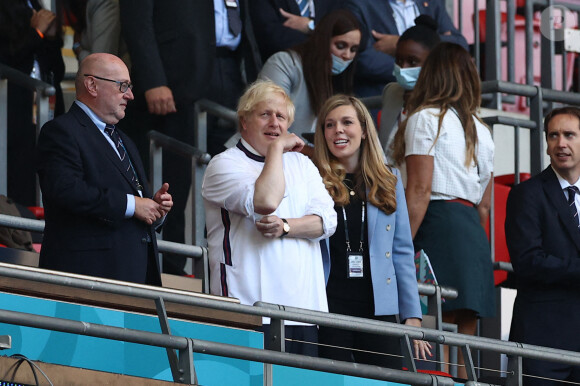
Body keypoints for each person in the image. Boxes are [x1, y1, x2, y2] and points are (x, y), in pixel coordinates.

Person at [118, 0, 261, 276]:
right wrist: (153, 79)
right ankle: (169, 268)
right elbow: (137, 22)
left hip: (233, 73)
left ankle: (222, 268)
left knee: (235, 177)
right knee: (174, 180)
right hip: (175, 81)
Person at [202, 80, 337, 356]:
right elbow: (265, 201)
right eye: (265, 114)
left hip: (304, 310)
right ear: (244, 121)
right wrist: (277, 150)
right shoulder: (224, 163)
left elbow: (328, 221)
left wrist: (288, 226)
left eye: (281, 117)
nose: (274, 123)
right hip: (248, 309)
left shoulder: (302, 163)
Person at [392, 42, 495, 379]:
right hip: (472, 229)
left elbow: (419, 190)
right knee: (464, 335)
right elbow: (485, 203)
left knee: (437, 329)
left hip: (439, 223)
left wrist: (398, 243)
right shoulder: (483, 129)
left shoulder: (424, 118)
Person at [313, 94, 431, 366]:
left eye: (346, 122)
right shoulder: (313, 178)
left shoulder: (389, 180)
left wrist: (411, 314)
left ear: (364, 130)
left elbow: (402, 251)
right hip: (329, 307)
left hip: (380, 307)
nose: (338, 130)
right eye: (329, 125)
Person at [36, 53, 173, 286]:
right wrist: (132, 205)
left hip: (134, 279)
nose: (130, 95)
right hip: (86, 280)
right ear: (92, 85)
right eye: (123, 86)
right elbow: (66, 190)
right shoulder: (61, 131)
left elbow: (131, 204)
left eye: (129, 87)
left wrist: (153, 208)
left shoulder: (123, 139)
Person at [505, 106, 580, 385]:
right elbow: (527, 261)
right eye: (553, 136)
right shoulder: (527, 194)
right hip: (542, 340)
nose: (561, 143)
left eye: (569, 135)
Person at [258, 9, 360, 151]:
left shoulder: (341, 79)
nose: (347, 55)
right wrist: (319, 157)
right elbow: (267, 125)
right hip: (258, 157)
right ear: (323, 41)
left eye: (354, 49)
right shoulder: (285, 63)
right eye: (340, 46)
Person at [0, 0, 65, 207]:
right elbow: (8, 60)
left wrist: (52, 37)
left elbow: (57, 69)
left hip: (46, 105)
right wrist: (36, 32)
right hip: (12, 110)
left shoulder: (34, 5)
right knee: (19, 176)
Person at [343, 0, 467, 97]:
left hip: (433, 94)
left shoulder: (431, 2)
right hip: (381, 98)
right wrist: (406, 71)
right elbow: (362, 58)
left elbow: (459, 45)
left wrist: (398, 42)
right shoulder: (359, 4)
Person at [378, 15, 440, 160]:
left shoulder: (442, 102)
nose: (403, 68)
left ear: (433, 64)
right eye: (399, 60)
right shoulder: (392, 93)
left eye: (412, 62)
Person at [249, 0, 338, 61]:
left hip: (326, 77)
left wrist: (311, 26)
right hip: (283, 70)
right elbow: (269, 35)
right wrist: (322, 43)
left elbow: (341, 29)